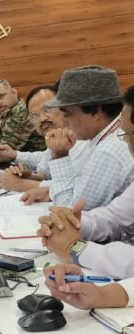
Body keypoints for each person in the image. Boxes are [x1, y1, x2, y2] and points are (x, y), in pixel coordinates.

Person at [37, 86, 134, 282]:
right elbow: (117, 217)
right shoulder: (92, 140)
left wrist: (76, 248)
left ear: (96, 111)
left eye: (128, 134)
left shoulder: (110, 150)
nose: (125, 142)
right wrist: (71, 222)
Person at [24, 66, 133, 210]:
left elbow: (70, 212)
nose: (64, 121)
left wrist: (60, 156)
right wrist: (50, 191)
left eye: (68, 114)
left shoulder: (108, 151)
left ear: (96, 111)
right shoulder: (107, 138)